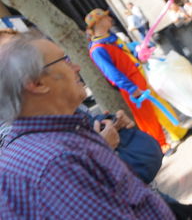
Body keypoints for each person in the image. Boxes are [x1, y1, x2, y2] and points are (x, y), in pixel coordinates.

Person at [0, 31, 174, 218]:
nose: (76, 67)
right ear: (37, 83)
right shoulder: (58, 162)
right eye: (64, 61)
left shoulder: (48, 143)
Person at [85, 8, 189, 152]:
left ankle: (177, 132)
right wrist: (131, 88)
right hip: (130, 83)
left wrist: (138, 50)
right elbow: (111, 73)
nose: (110, 19)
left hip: (140, 75)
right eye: (106, 17)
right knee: (147, 116)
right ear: (99, 22)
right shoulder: (97, 49)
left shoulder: (111, 37)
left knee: (160, 105)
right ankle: (159, 147)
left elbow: (126, 52)